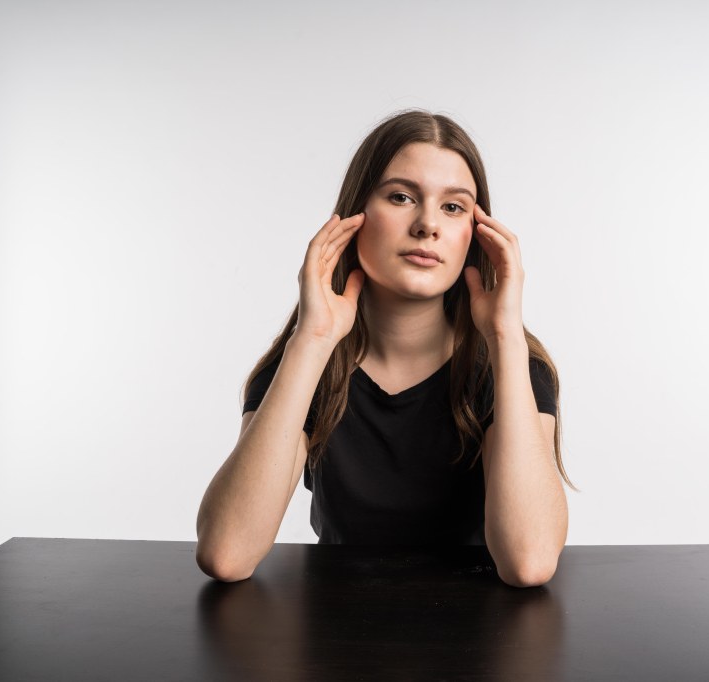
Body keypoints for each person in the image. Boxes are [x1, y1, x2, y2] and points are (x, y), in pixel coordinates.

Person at [195, 110, 572, 588]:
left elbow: (529, 562)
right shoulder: (305, 364)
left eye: (453, 207)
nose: (428, 225)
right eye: (400, 197)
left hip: (479, 629)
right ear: (354, 216)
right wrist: (311, 340)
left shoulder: (514, 365)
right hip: (336, 625)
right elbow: (226, 554)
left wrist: (505, 338)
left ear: (476, 234)